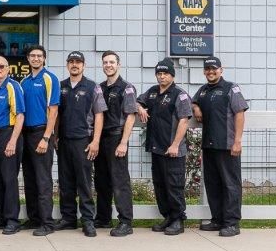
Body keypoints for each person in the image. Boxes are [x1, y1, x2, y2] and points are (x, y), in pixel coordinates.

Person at [192, 56, 249, 238]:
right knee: (213, 185)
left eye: (214, 69)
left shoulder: (231, 88)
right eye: (207, 69)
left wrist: (237, 141)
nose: (210, 72)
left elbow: (239, 113)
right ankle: (217, 219)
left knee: (230, 185)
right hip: (209, 145)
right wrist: (196, 108)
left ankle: (231, 223)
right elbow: (193, 101)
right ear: (204, 71)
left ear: (221, 70)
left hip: (228, 145)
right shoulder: (202, 91)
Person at [136, 58, 193, 236]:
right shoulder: (152, 92)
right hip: (156, 148)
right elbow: (138, 101)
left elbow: (184, 120)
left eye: (165, 74)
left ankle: (178, 220)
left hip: (173, 150)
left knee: (174, 185)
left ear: (172, 75)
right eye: (159, 74)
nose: (161, 77)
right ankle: (167, 217)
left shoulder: (179, 94)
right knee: (160, 185)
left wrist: (175, 144)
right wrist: (140, 108)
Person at [54, 51, 107, 237]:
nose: (74, 65)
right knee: (65, 182)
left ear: (83, 65)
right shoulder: (60, 87)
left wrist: (96, 141)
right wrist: (55, 137)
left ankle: (87, 220)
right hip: (64, 141)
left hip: (84, 141)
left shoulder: (93, 87)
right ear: (67, 65)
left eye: (78, 62)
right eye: (71, 62)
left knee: (84, 182)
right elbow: (56, 114)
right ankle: (68, 218)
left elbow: (99, 114)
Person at [96, 51, 139, 237]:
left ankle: (125, 222)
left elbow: (130, 116)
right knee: (102, 181)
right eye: (105, 62)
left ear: (118, 65)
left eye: (112, 62)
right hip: (100, 138)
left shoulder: (126, 88)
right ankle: (104, 218)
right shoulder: (99, 88)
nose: (108, 65)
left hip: (116, 138)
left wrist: (124, 142)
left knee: (119, 181)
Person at [19, 45, 60, 236]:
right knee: (29, 179)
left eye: (39, 56)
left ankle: (47, 223)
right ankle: (34, 218)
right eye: (33, 56)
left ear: (44, 59)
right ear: (28, 59)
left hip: (41, 133)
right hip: (25, 134)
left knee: (43, 180)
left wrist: (46, 137)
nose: (36, 59)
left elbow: (53, 110)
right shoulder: (24, 81)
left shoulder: (49, 79)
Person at [0, 55, 26, 235]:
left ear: (8, 69)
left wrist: (13, 141)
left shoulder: (12, 86)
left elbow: (20, 115)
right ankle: (0, 217)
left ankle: (12, 220)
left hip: (8, 135)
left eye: (2, 66)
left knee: (9, 180)